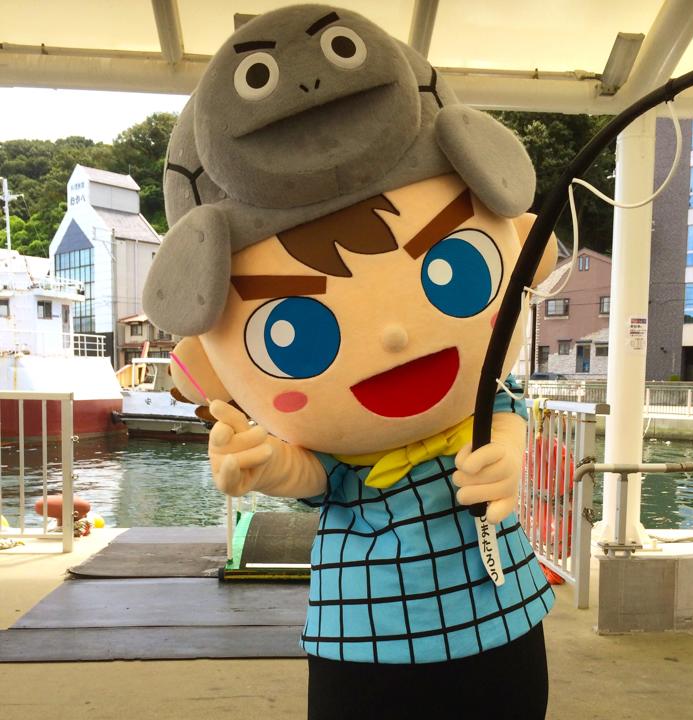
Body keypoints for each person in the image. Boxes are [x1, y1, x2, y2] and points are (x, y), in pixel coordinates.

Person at [144, 6, 558, 718]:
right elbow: (321, 477)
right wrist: (271, 466)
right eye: (293, 333)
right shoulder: (337, 451)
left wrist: (510, 449)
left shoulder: (483, 408)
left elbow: (505, 403)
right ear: (206, 361)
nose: (394, 336)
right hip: (364, 631)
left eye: (454, 270)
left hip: (499, 616)